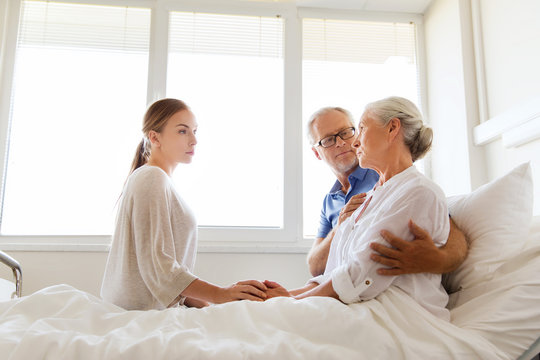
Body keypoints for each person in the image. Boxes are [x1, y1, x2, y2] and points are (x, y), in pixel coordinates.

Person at [266, 97, 453, 320]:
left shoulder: (416, 192)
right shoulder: (370, 196)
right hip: (357, 301)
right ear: (317, 152)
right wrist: (286, 297)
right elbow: (328, 270)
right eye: (328, 140)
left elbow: (358, 275)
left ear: (392, 128)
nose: (350, 143)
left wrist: (289, 303)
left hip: (393, 312)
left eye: (354, 131)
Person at [101, 98, 267, 310]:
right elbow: (159, 267)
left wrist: (210, 307)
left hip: (152, 311)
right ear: (154, 137)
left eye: (195, 131)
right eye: (182, 131)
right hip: (143, 315)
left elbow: (168, 276)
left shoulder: (157, 180)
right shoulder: (152, 177)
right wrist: (221, 294)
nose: (193, 140)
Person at [305, 106, 468, 278]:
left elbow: (452, 233)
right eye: (329, 140)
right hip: (341, 286)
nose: (341, 142)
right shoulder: (329, 201)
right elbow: (315, 268)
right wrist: (340, 226)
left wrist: (438, 260)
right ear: (317, 153)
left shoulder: (386, 174)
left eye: (346, 132)